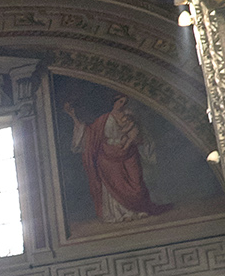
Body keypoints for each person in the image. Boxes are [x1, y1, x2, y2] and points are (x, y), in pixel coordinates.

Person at [65, 94, 171, 223]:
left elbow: (140, 135)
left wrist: (134, 137)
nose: (122, 104)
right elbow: (89, 134)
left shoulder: (129, 117)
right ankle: (120, 213)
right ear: (114, 103)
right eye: (120, 101)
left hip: (129, 153)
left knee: (136, 181)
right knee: (115, 183)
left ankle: (139, 209)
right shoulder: (104, 120)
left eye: (125, 102)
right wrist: (73, 117)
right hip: (107, 156)